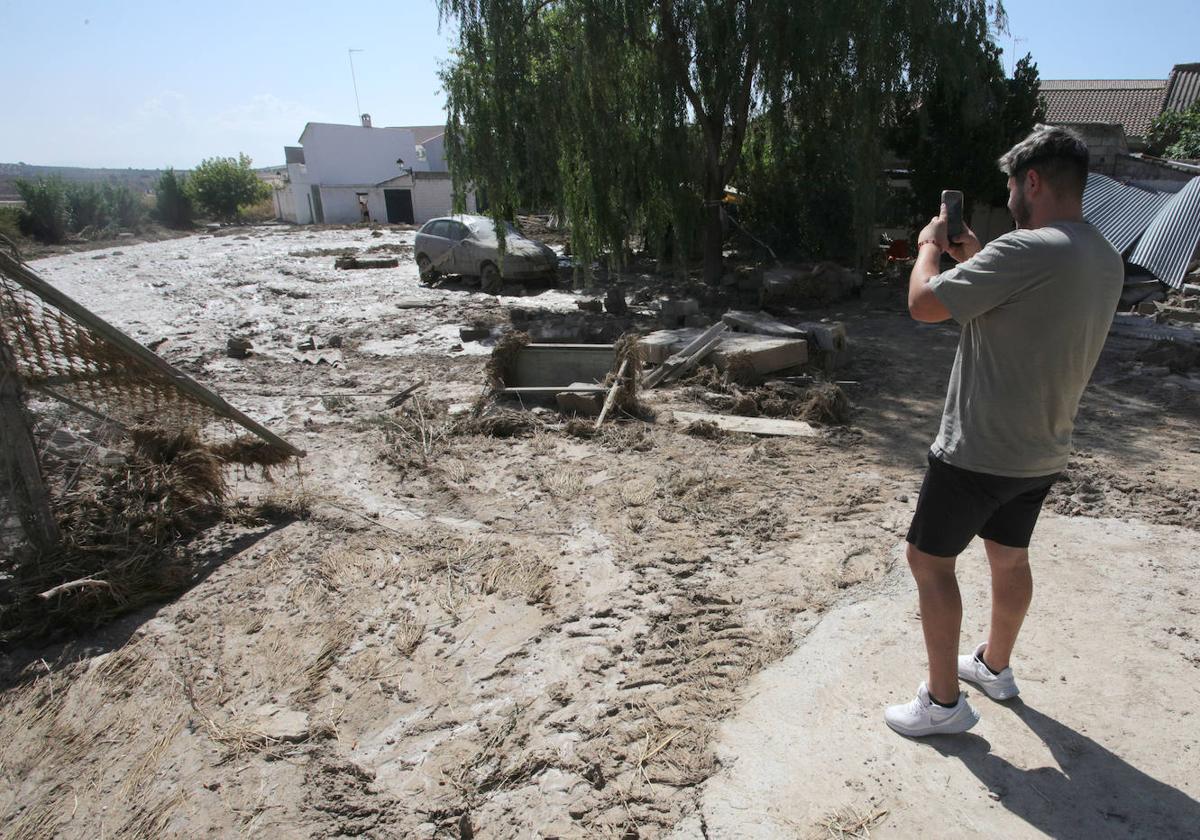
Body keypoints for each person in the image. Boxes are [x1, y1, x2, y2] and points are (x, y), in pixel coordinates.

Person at [884, 125, 1124, 737]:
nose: (1010, 192)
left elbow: (923, 305)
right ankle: (994, 666)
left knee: (928, 562)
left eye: (1012, 183)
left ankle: (942, 705)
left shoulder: (1022, 251)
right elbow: (1022, 295)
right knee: (1009, 556)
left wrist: (928, 248)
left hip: (977, 448)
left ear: (1033, 181)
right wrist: (976, 257)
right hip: (1041, 448)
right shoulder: (1099, 253)